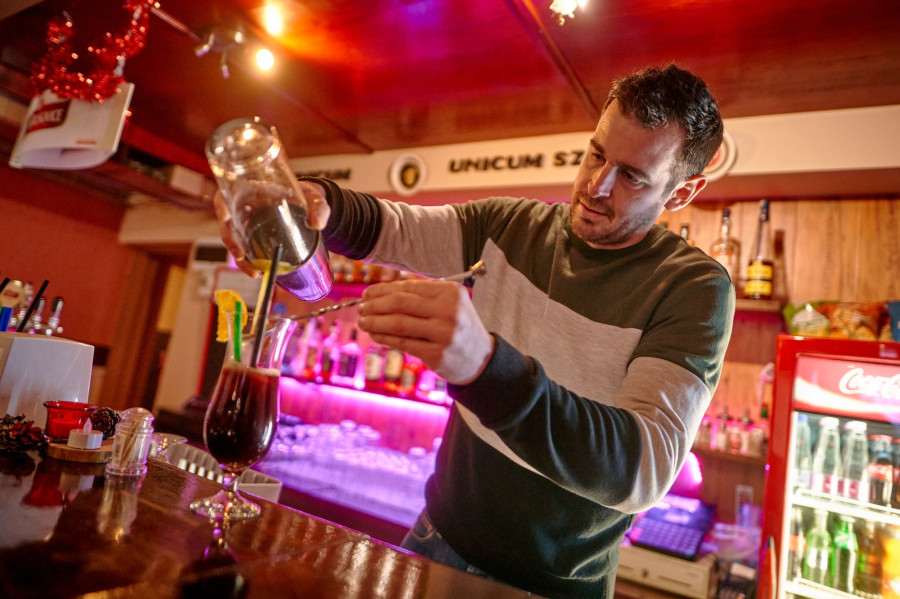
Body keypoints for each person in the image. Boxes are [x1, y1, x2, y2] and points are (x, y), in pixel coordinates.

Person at [216, 63, 735, 599]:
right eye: (596, 154)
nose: (596, 185)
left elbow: (644, 468)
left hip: (551, 587)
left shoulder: (693, 288)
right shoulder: (508, 226)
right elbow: (390, 228)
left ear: (682, 192)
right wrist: (312, 202)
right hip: (433, 540)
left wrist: (486, 369)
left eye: (631, 176)